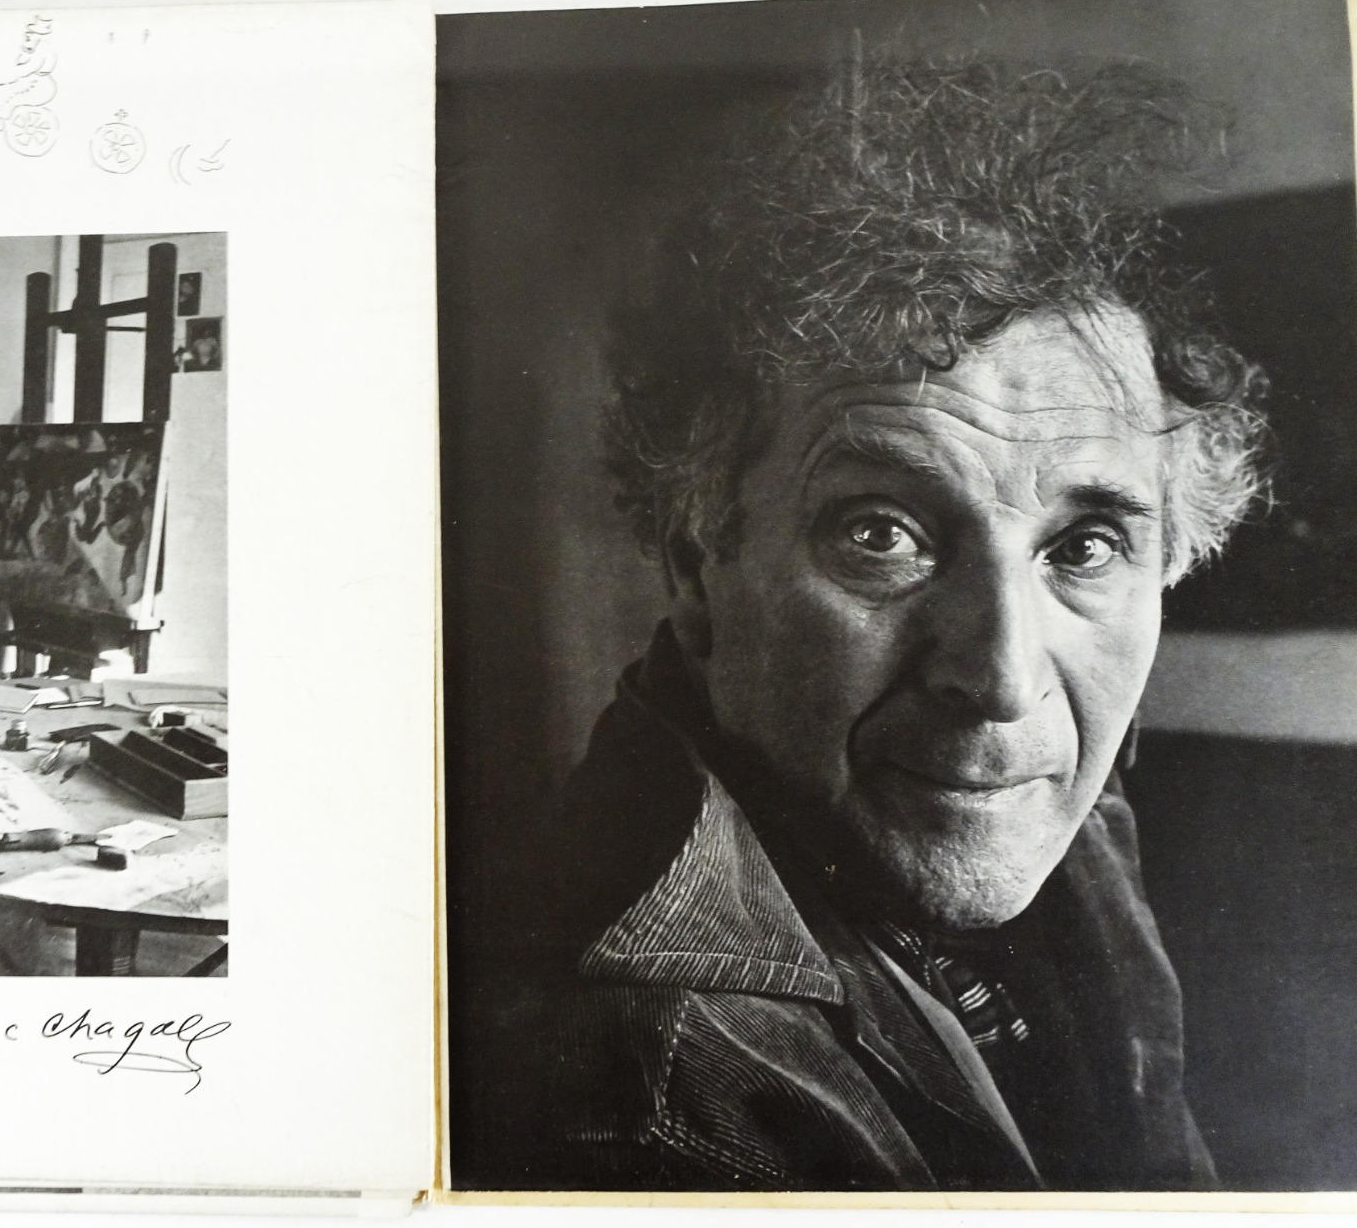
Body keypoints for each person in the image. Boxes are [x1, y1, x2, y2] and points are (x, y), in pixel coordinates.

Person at [534, 61, 1266, 1190]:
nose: (1004, 678)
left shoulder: (1045, 799)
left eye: (1082, 548)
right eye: (883, 534)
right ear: (696, 566)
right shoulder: (657, 1096)